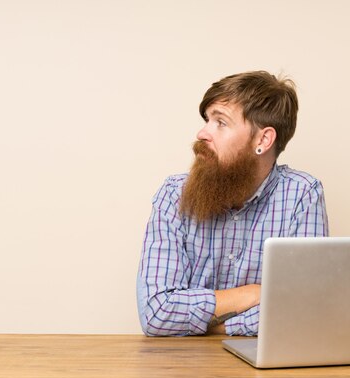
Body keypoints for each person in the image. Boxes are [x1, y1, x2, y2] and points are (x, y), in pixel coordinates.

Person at [137, 70, 328, 336]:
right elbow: (156, 313)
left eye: (221, 122)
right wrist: (250, 295)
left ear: (263, 140)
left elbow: (304, 310)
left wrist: (220, 326)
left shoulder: (301, 195)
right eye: (207, 120)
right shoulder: (173, 195)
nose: (202, 133)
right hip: (183, 371)